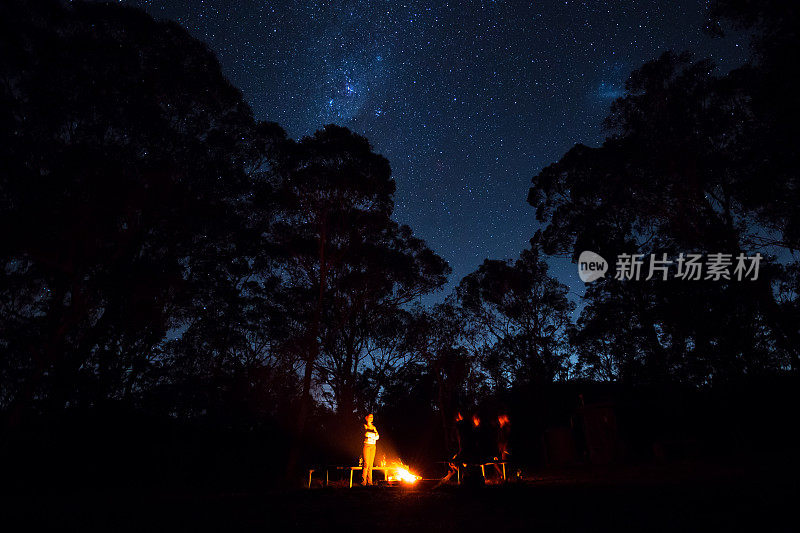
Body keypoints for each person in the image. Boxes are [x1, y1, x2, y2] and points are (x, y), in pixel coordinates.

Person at [362, 413, 379, 485]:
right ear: (366, 418)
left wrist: (371, 436)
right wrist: (373, 436)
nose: (371, 418)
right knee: (366, 463)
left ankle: (370, 482)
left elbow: (377, 437)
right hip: (367, 445)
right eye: (370, 417)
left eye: (372, 417)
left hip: (373, 446)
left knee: (371, 465)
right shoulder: (364, 426)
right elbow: (366, 434)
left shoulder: (374, 427)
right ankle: (363, 481)